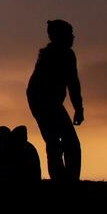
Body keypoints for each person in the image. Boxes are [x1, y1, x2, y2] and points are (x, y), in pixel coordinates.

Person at [26, 19, 84, 181]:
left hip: (52, 103)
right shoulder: (52, 56)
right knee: (56, 143)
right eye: (69, 33)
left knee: (69, 143)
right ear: (59, 36)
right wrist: (78, 109)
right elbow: (71, 83)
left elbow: (73, 83)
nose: (73, 36)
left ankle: (69, 178)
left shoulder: (67, 55)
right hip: (41, 102)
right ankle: (61, 178)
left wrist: (78, 108)